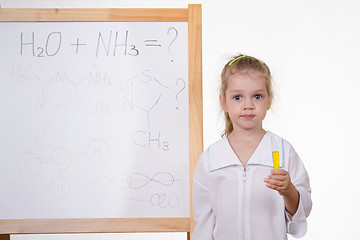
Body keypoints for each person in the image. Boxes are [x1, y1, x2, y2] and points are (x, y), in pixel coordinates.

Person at [192, 54, 312, 240]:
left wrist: (289, 191)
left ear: (269, 100)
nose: (248, 105)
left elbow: (304, 208)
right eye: (237, 97)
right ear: (223, 101)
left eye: (257, 96)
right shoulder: (210, 158)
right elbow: (204, 222)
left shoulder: (282, 150)